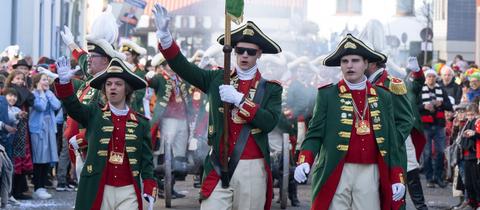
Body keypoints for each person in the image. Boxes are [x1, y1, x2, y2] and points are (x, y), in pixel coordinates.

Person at [152, 4, 283, 210]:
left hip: (251, 166)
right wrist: (165, 36)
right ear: (234, 51)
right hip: (218, 163)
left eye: (251, 51)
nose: (244, 55)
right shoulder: (216, 79)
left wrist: (240, 100)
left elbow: (269, 122)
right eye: (240, 50)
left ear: (259, 55)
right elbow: (184, 68)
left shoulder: (271, 89)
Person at [294, 34, 406, 210]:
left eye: (355, 60)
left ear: (366, 64)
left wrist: (396, 175)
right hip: (337, 169)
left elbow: (391, 141)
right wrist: (305, 159)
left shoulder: (383, 96)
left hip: (370, 171)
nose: (349, 65)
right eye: (345, 61)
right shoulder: (327, 95)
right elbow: (314, 133)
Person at [54, 56, 157, 210]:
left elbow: (147, 161)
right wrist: (64, 84)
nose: (112, 88)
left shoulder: (141, 123)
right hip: (99, 189)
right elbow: (74, 107)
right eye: (108, 84)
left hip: (129, 191)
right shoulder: (94, 113)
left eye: (118, 84)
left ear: (127, 89)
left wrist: (149, 186)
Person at [59, 7, 126, 191]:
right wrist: (71, 44)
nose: (88, 60)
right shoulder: (92, 76)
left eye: (93, 57)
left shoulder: (107, 86)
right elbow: (82, 58)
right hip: (81, 151)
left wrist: (81, 139)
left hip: (96, 152)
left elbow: (107, 123)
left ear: (105, 60)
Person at [29, 73, 61, 199]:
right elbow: (41, 106)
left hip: (49, 127)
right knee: (39, 157)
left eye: (47, 79)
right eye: (44, 79)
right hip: (38, 129)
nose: (46, 81)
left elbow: (57, 105)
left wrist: (47, 93)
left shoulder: (49, 93)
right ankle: (38, 187)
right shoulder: (33, 94)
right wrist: (41, 92)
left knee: (48, 156)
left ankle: (42, 186)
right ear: (37, 81)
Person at [420, 69, 453, 188]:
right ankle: (429, 178)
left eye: (433, 76)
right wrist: (424, 106)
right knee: (427, 153)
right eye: (428, 76)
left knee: (440, 151)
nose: (431, 78)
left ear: (436, 78)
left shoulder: (441, 90)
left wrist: (441, 104)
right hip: (426, 125)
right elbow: (414, 106)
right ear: (425, 78)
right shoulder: (420, 89)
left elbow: (450, 106)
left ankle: (438, 177)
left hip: (439, 125)